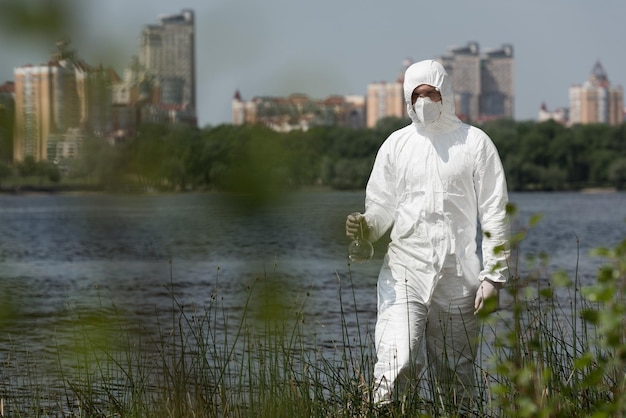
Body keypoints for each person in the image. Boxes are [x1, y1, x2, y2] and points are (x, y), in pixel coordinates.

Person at [345, 59, 509, 412]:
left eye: (431, 93)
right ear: (407, 99)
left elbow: (495, 210)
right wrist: (366, 228)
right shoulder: (396, 145)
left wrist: (494, 276)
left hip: (459, 276)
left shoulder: (475, 144)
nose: (424, 101)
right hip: (405, 270)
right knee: (395, 360)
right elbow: (381, 207)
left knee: (456, 376)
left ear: (445, 94)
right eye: (416, 95)